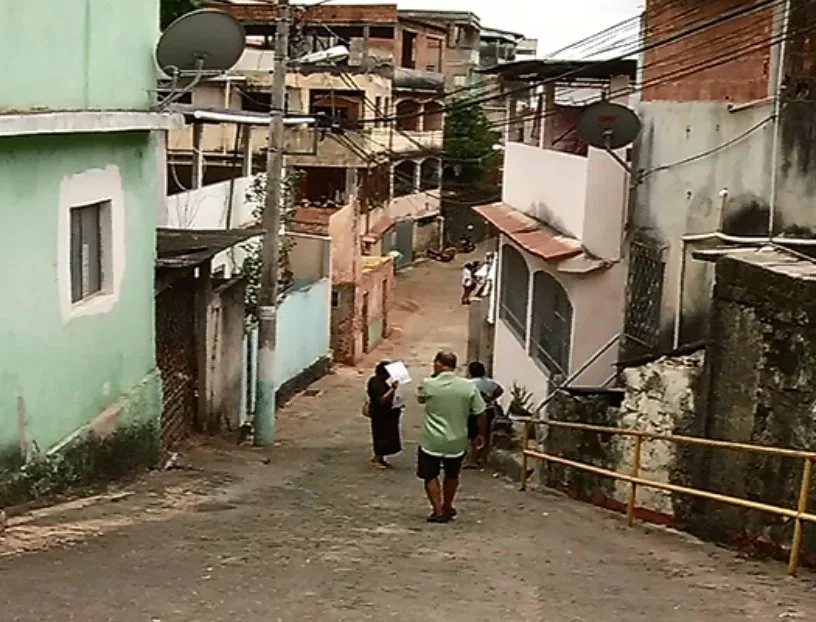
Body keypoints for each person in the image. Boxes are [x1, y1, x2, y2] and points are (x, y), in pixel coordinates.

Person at [416, 351, 486, 523]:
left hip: (431, 438)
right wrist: (479, 434)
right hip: (457, 438)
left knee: (430, 475)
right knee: (452, 475)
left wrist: (434, 378)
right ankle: (448, 505)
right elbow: (480, 411)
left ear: (439, 364)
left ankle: (438, 510)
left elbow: (421, 399)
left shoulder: (428, 384)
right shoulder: (468, 386)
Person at [464, 361, 504, 469]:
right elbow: (500, 390)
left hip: (473, 411)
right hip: (488, 410)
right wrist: (490, 398)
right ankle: (482, 457)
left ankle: (472, 459)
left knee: (473, 435)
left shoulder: (468, 383)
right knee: (485, 433)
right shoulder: (490, 383)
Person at [367, 361, 402, 469]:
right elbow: (382, 399)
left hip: (386, 413)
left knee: (386, 435)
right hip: (379, 414)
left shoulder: (380, 381)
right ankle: (377, 458)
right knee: (381, 436)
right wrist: (393, 389)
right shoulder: (376, 382)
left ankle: (381, 458)